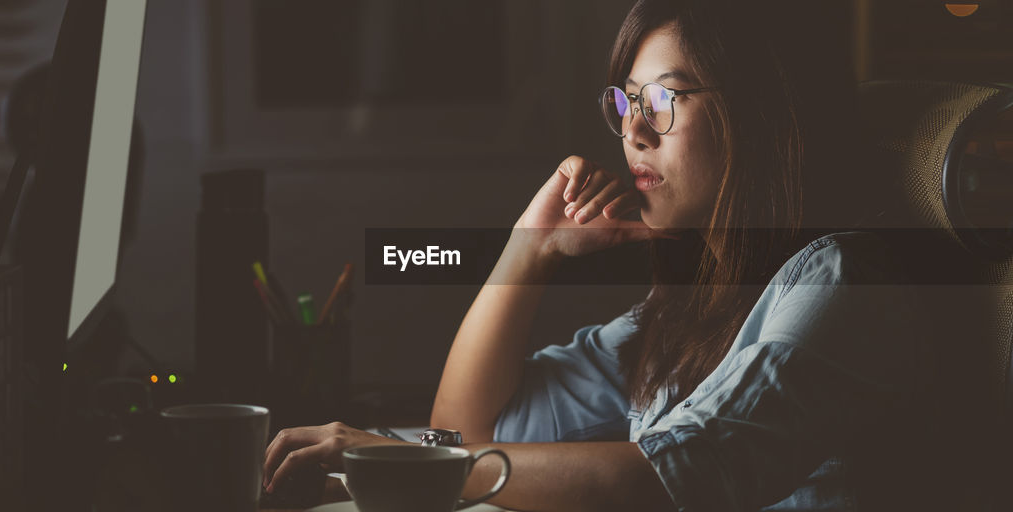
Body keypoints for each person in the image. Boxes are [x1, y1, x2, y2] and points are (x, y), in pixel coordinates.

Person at [263, 1, 963, 510]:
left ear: (760, 109)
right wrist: (526, 253)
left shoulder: (843, 281)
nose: (633, 130)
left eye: (662, 99)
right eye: (625, 102)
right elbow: (472, 430)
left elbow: (667, 477)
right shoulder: (687, 308)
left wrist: (400, 461)